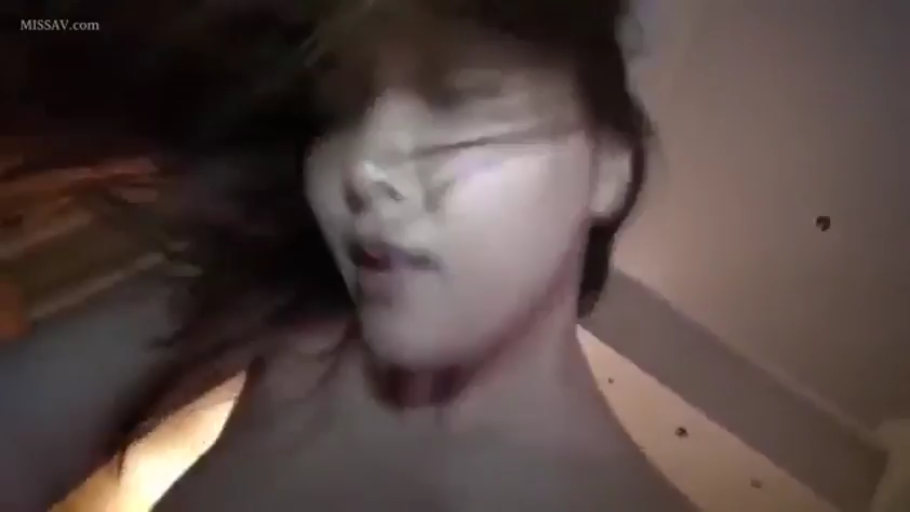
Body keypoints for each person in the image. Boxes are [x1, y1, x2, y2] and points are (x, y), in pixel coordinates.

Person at [1, 0, 696, 510]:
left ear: (610, 168)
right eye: (343, 107)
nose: (363, 164)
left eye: (454, 97)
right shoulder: (287, 328)